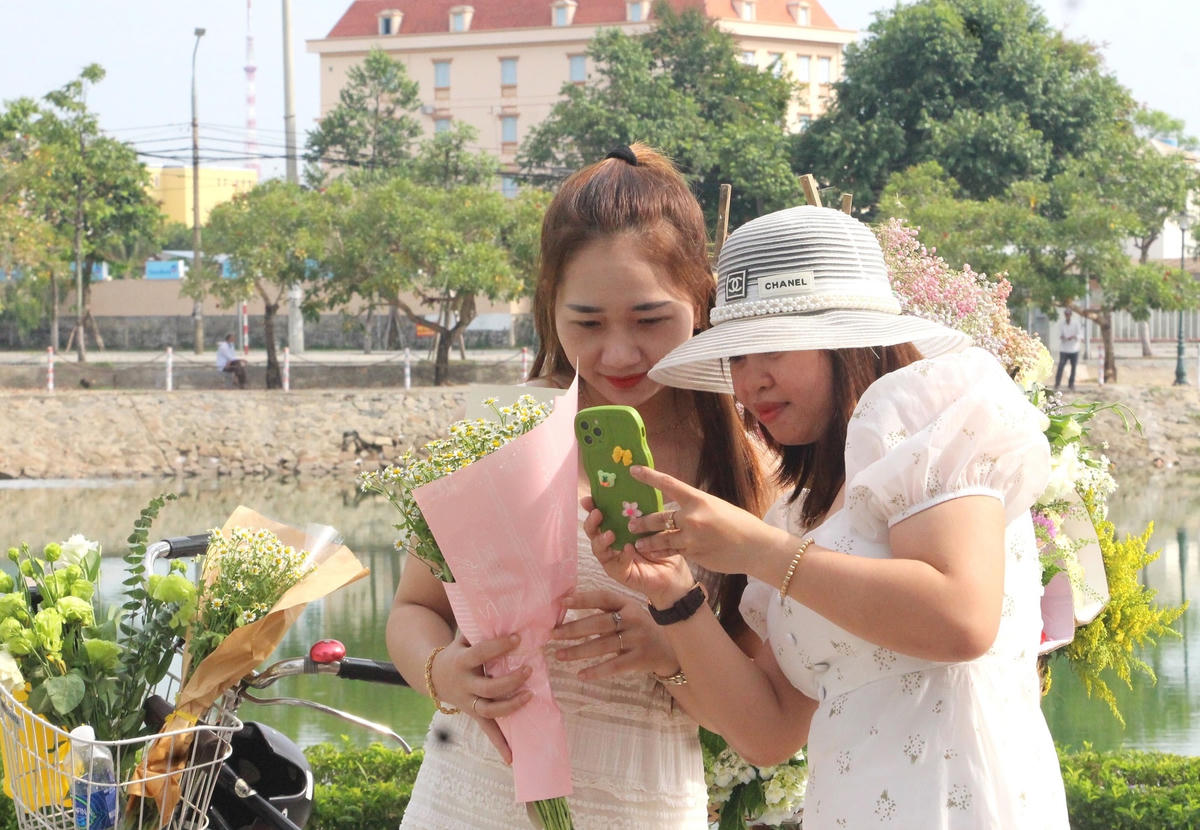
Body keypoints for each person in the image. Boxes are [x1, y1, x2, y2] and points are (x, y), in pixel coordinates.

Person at [586, 205, 1070, 829]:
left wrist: (755, 550)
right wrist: (673, 593)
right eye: (737, 357)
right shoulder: (799, 512)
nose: (750, 383)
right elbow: (768, 731)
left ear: (848, 341)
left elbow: (961, 619)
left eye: (772, 348)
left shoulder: (927, 412)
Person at [388, 143, 770, 829]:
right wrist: (442, 672)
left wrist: (670, 651)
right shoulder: (505, 428)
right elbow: (414, 609)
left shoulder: (749, 465)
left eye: (651, 319)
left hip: (644, 805)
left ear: (700, 299)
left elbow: (758, 719)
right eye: (587, 323)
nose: (618, 352)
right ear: (550, 306)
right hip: (469, 799)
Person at [1055, 308, 1082, 390]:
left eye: (1068, 314)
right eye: (1066, 314)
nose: (1067, 316)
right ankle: (1057, 383)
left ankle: (1071, 384)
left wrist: (1074, 337)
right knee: (1061, 366)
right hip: (1064, 349)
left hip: (1074, 349)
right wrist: (1063, 337)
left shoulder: (1076, 323)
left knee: (1073, 367)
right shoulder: (1061, 324)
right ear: (1065, 315)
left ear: (1071, 315)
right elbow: (1059, 334)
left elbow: (1080, 335)